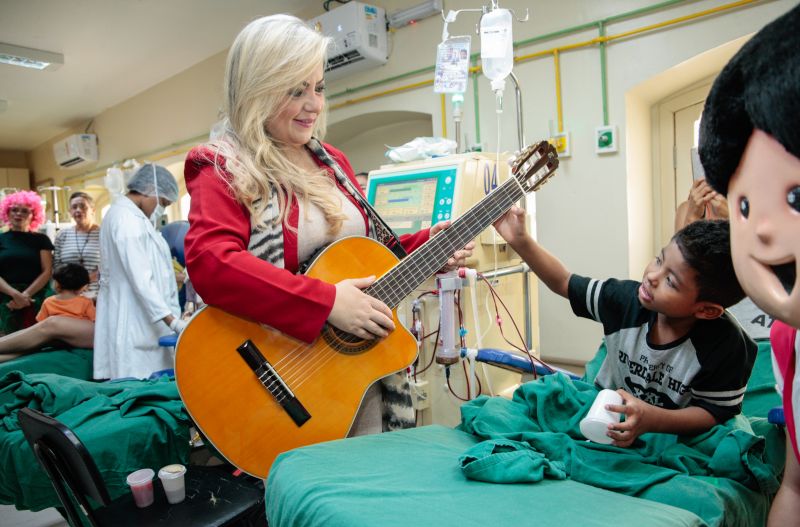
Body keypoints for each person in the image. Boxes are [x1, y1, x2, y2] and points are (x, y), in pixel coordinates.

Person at [183, 14, 473, 436]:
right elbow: (212, 263)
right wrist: (326, 303)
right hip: (283, 377)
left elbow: (365, 252)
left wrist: (429, 245)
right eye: (296, 90)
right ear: (257, 88)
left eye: (318, 87)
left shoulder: (331, 160)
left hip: (352, 373)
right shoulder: (222, 164)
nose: (314, 104)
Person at [493, 211, 756, 447]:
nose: (652, 276)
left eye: (671, 281)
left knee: (732, 452)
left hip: (673, 431)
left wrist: (654, 420)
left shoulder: (728, 345)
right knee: (514, 406)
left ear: (706, 310)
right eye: (658, 260)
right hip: (603, 412)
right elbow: (564, 282)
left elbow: (712, 413)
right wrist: (521, 240)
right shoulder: (625, 300)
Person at [697, 6, 800, 527]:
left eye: (796, 197)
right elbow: (795, 487)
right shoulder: (787, 342)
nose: (761, 230)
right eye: (745, 207)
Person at [93, 163, 183, 380]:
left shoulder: (133, 218)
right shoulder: (126, 221)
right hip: (135, 322)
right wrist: (173, 321)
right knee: (139, 388)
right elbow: (141, 280)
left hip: (145, 319)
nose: (160, 209)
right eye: (162, 202)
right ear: (149, 189)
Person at [674, 178, 772, 341]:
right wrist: (692, 217)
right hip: (708, 322)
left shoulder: (765, 203)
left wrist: (733, 218)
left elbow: (771, 265)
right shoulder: (688, 208)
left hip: (759, 324)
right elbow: (680, 270)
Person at [0, 263, 96, 362]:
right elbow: (93, 319)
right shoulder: (86, 301)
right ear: (82, 287)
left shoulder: (48, 301)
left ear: (57, 284)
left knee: (27, 349)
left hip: (52, 338)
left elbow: (41, 324)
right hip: (75, 338)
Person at [0, 190, 53, 335]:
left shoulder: (41, 239)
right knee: (5, 341)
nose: (18, 214)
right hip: (4, 297)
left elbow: (47, 271)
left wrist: (25, 295)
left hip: (36, 296)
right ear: (7, 213)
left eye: (24, 211)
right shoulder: (0, 238)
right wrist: (15, 294)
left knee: (36, 340)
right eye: (14, 210)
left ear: (33, 215)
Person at [53, 192, 101, 297]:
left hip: (97, 295)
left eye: (83, 206)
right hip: (69, 295)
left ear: (93, 210)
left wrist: (85, 280)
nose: (78, 210)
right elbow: (57, 265)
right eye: (74, 207)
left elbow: (110, 265)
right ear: (70, 212)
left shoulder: (104, 234)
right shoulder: (62, 235)